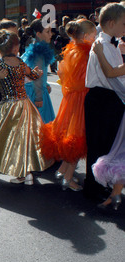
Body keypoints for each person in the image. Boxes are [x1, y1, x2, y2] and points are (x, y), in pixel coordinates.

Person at [0, 30, 53, 187]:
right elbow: (31, 76)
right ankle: (26, 175)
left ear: (0, 48)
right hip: (25, 105)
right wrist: (37, 73)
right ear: (15, 48)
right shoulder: (20, 63)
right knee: (22, 139)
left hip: (8, 106)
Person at [40, 19, 97, 192]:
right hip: (81, 98)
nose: (96, 37)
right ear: (86, 35)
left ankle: (63, 169)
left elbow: (61, 74)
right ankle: (68, 177)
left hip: (70, 98)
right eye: (94, 34)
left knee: (67, 132)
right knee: (77, 136)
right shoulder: (87, 53)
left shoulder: (69, 51)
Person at [83, 2, 125, 202]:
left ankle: (98, 185)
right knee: (100, 144)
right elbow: (112, 76)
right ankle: (94, 186)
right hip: (103, 99)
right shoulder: (103, 45)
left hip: (105, 98)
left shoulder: (108, 44)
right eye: (123, 24)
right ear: (111, 22)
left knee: (105, 144)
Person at [22, 19, 56, 124]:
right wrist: (39, 97)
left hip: (34, 90)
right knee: (40, 125)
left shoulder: (35, 48)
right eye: (47, 31)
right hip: (35, 92)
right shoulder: (39, 52)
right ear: (38, 34)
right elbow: (37, 75)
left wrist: (45, 84)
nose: (51, 34)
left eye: (51, 31)